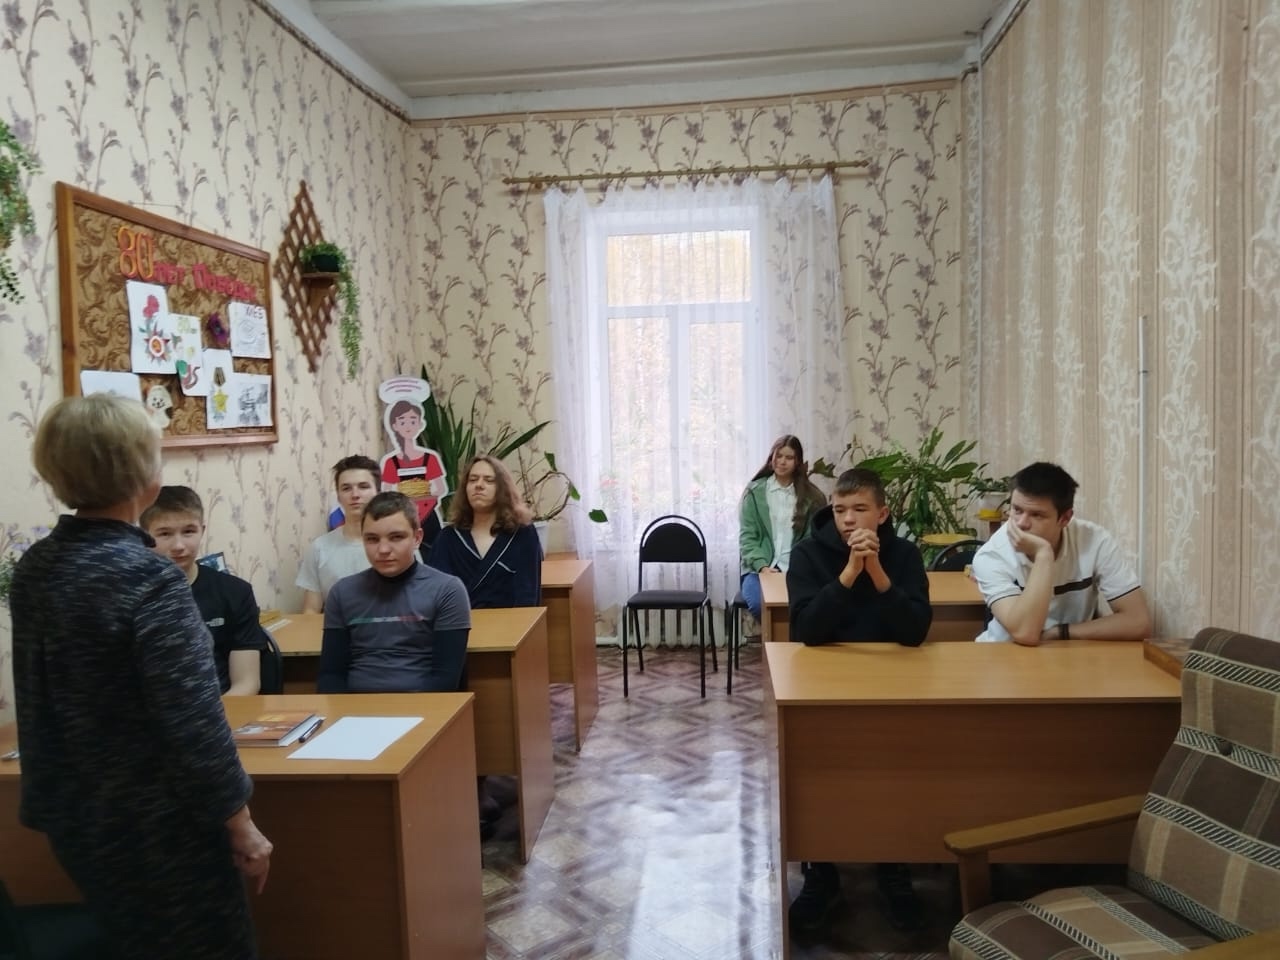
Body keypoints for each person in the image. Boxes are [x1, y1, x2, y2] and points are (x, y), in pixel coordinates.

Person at [11, 394, 272, 958]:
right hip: (156, 824)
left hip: (75, 817)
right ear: (145, 480)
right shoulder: (148, 578)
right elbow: (193, 720)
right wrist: (240, 822)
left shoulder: (35, 566)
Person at [785, 467, 932, 937]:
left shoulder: (904, 555)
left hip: (893, 685)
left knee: (899, 774)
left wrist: (878, 574)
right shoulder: (808, 555)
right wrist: (850, 573)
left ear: (882, 514)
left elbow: (914, 632)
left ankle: (894, 864)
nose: (848, 520)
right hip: (824, 685)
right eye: (840, 510)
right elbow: (807, 631)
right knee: (816, 775)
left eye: (859, 509)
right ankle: (821, 869)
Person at [971, 461, 1152, 644]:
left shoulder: (1095, 541)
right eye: (1017, 510)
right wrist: (1043, 554)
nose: (1021, 523)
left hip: (1068, 652)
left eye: (1037, 515)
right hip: (1004, 652)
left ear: (1065, 518)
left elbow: (1138, 622)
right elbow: (1026, 633)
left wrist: (1061, 632)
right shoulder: (992, 555)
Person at [317, 491, 471, 693]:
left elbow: (445, 679)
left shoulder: (447, 590)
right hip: (356, 706)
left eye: (396, 537)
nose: (383, 549)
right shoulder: (342, 592)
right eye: (372, 539)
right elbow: (331, 675)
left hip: (424, 705)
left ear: (417, 538)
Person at [141, 485, 269, 695]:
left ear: (202, 530)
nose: (179, 545)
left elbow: (247, 682)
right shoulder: (129, 596)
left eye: (189, 531)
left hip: (221, 706)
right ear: (145, 537)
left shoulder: (236, 592)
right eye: (165, 534)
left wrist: (213, 715)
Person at [426, 454, 542, 607]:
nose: (479, 485)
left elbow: (528, 596)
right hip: (461, 620)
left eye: (489, 480)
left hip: (513, 620)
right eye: (473, 480)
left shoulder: (523, 533)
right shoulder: (448, 537)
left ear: (502, 489)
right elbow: (436, 594)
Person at [738, 434, 827, 621]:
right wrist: (762, 567)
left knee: (807, 605)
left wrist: (799, 566)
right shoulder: (754, 492)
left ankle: (793, 639)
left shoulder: (813, 497)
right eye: (778, 456)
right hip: (759, 570)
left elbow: (813, 539)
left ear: (798, 461)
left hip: (797, 569)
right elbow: (747, 537)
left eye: (789, 457)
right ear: (771, 457)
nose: (782, 462)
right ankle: (775, 640)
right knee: (760, 605)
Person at [298, 455, 379, 613]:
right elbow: (311, 611)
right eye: (346, 488)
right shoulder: (320, 548)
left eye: (363, 486)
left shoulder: (397, 544)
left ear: (378, 492)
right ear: (338, 496)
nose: (355, 495)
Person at [379, 399, 447, 548]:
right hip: (402, 516)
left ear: (420, 424)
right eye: (402, 422)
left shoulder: (430, 458)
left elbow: (440, 488)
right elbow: (386, 493)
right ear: (395, 426)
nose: (408, 426)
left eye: (413, 421)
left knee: (434, 550)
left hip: (429, 516)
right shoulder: (391, 462)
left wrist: (425, 498)